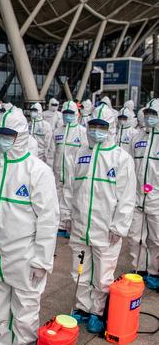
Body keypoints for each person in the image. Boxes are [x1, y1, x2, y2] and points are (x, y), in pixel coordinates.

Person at [0, 106, 59, 345]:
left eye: (8, 135)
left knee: (24, 313)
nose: (2, 140)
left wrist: (41, 260)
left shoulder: (37, 171)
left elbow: (48, 219)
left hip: (25, 257)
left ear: (21, 136)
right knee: (0, 311)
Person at [61, 104, 136, 333]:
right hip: (81, 225)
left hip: (106, 227)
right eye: (92, 126)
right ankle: (82, 307)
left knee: (103, 272)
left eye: (101, 127)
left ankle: (97, 310)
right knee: (80, 269)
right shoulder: (81, 154)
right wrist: (67, 215)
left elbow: (127, 196)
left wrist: (119, 226)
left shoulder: (120, 158)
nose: (95, 131)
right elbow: (70, 188)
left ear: (110, 128)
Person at [129, 100, 159, 288]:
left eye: (154, 114)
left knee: (156, 238)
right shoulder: (137, 137)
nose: (149, 117)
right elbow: (130, 167)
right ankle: (139, 269)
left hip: (157, 198)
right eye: (147, 113)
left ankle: (155, 272)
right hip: (138, 196)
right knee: (135, 236)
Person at [52, 101, 87, 235]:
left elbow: (85, 153)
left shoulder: (82, 132)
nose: (67, 116)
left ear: (76, 114)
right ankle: (60, 224)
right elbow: (52, 151)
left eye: (70, 113)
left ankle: (70, 224)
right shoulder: (58, 131)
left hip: (73, 172)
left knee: (71, 196)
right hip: (58, 171)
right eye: (65, 113)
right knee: (57, 196)